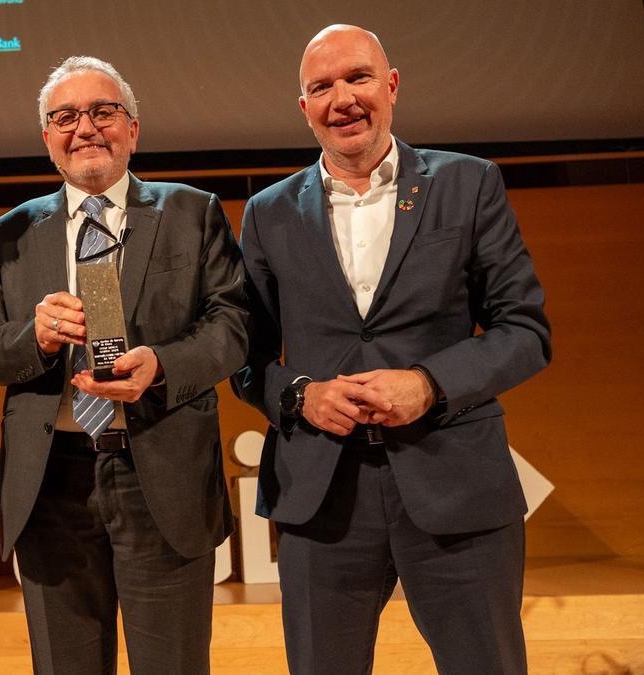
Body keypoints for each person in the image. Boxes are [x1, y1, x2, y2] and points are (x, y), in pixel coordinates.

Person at [234, 25, 551, 675]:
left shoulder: (469, 184)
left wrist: (429, 383)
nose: (342, 98)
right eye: (321, 87)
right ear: (304, 108)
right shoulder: (268, 212)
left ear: (392, 86)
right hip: (322, 497)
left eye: (357, 78)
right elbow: (244, 356)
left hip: (456, 484)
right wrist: (300, 395)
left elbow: (526, 329)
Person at [0, 56, 248, 674]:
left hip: (162, 472)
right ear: (48, 140)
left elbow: (235, 324)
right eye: (65, 117)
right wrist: (32, 338)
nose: (84, 127)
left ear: (133, 128)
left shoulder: (192, 213)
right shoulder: (8, 234)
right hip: (52, 485)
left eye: (102, 111)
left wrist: (163, 364)